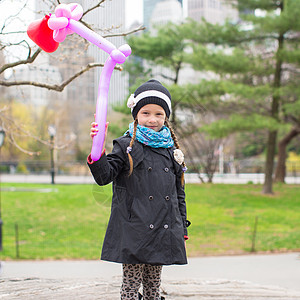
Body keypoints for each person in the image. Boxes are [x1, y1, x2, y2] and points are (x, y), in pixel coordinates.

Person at [87, 79, 190, 300]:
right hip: (135, 230)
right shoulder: (126, 146)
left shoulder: (171, 149)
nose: (152, 119)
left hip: (162, 228)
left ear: (166, 117)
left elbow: (178, 193)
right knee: (130, 289)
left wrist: (181, 226)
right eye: (145, 113)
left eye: (159, 114)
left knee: (154, 288)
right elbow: (104, 176)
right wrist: (98, 147)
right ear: (136, 114)